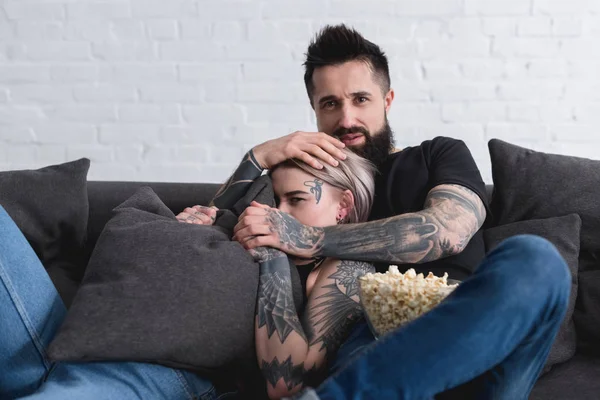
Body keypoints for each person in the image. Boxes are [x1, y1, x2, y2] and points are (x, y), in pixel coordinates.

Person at [184, 24, 571, 399]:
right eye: (330, 103)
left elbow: (446, 232)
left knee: (536, 260)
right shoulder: (299, 183)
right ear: (314, 110)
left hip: (470, 333)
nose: (347, 119)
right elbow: (207, 224)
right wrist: (258, 156)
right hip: (371, 345)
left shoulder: (437, 154)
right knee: (367, 344)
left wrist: (311, 238)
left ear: (387, 100)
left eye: (361, 99)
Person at [0, 149, 378, 400]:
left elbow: (288, 382)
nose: (274, 213)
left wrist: (273, 254)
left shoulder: (343, 268)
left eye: (295, 200)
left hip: (156, 374)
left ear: (343, 206)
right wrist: (181, 233)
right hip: (63, 344)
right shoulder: (234, 225)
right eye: (272, 201)